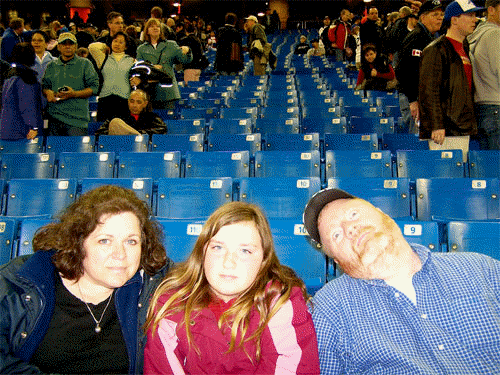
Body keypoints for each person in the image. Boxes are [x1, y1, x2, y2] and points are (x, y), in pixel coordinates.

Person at [302, 187, 500, 374]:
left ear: (382, 214)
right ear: (337, 260)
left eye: (353, 214)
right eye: (336, 235)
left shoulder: (482, 269)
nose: (350, 228)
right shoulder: (329, 308)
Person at [0, 185, 173, 374]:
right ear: (77, 243)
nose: (120, 254)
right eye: (105, 241)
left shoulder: (153, 282)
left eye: (131, 241)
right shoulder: (20, 283)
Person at [143, 201, 320, 374]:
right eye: (218, 247)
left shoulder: (281, 303)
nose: (228, 262)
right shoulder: (171, 304)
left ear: (263, 261)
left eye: (245, 251)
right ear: (203, 253)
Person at [418, 0, 484, 162]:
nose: (474, 20)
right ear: (454, 20)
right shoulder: (435, 49)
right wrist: (436, 125)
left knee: (458, 173)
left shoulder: (464, 47)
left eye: (475, 15)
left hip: (461, 124)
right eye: (470, 15)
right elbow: (429, 90)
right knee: (447, 177)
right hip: (445, 128)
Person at [396, 0, 444, 134]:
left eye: (441, 14)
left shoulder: (433, 37)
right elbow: (403, 71)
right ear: (423, 17)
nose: (440, 18)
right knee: (418, 140)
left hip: (425, 98)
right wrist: (412, 100)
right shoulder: (416, 37)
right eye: (435, 15)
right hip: (414, 98)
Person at [42, 32, 99, 136]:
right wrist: (48, 92)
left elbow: (94, 88)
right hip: (54, 119)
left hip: (77, 121)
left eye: (71, 44)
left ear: (76, 46)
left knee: (75, 152)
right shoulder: (51, 66)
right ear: (58, 47)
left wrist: (74, 94)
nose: (67, 47)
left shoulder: (85, 64)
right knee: (54, 151)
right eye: (64, 44)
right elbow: (45, 86)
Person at [134, 18, 192, 109]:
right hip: (150, 92)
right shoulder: (141, 49)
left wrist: (188, 51)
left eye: (157, 26)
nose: (155, 28)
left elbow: (185, 60)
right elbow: (139, 68)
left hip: (168, 92)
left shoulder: (171, 45)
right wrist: (152, 68)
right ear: (147, 31)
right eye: (152, 26)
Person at [467, 0, 500, 150]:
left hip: (483, 108)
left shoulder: (476, 35)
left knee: (489, 168)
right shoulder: (494, 34)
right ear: (491, 10)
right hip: (496, 108)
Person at [90, 31, 135, 122]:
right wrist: (105, 47)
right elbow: (92, 47)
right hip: (105, 100)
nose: (117, 44)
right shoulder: (103, 58)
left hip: (124, 100)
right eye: (115, 41)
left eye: (121, 42)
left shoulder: (132, 60)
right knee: (103, 130)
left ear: (126, 46)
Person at [0, 42, 42, 140]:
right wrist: (33, 126)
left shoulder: (9, 75)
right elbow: (27, 105)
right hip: (22, 131)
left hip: (7, 128)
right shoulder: (26, 78)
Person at [95, 89, 167, 135]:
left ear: (145, 104)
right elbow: (99, 133)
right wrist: (119, 132)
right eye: (132, 102)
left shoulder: (151, 117)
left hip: (141, 147)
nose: (134, 105)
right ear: (128, 102)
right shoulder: (118, 115)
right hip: (120, 146)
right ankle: (135, 135)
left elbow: (162, 129)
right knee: (115, 122)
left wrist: (142, 133)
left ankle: (135, 135)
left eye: (139, 102)